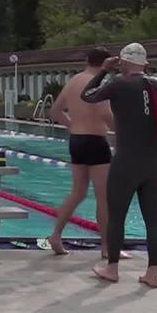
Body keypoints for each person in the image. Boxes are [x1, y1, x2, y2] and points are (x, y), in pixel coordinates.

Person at [80, 43, 157, 289]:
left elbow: (87, 95)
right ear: (146, 64)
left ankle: (112, 269)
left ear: (122, 62)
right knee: (154, 220)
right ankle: (152, 274)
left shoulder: (118, 84)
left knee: (117, 216)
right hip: (154, 163)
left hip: (127, 162)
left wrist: (103, 71)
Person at [45, 48, 114, 256]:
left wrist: (72, 126)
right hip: (95, 141)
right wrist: (123, 130)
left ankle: (56, 234)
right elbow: (104, 113)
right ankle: (107, 248)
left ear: (87, 60)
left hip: (76, 140)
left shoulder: (74, 80)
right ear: (107, 64)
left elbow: (55, 111)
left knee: (78, 192)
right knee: (104, 197)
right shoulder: (98, 83)